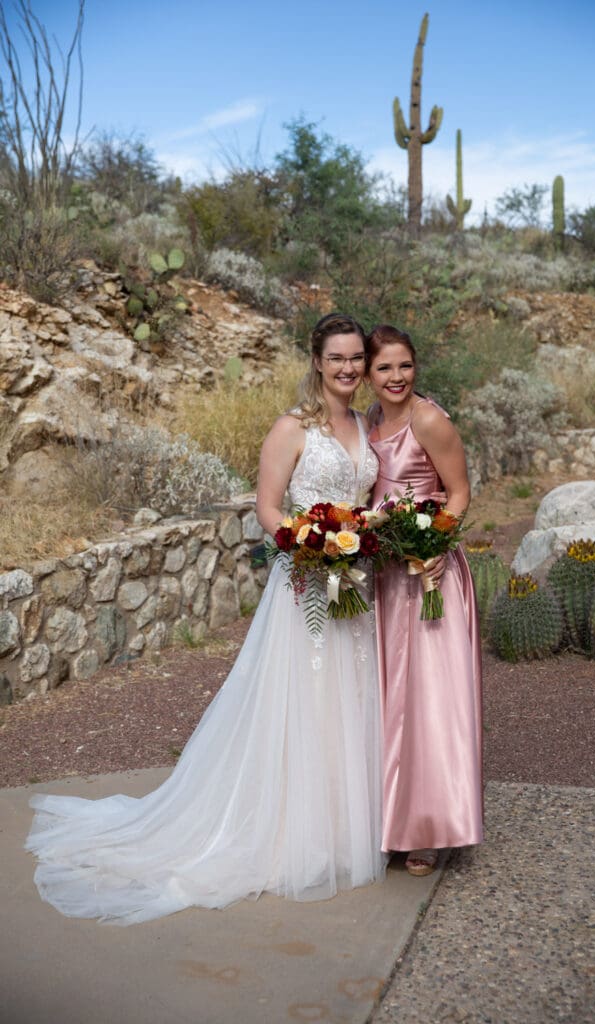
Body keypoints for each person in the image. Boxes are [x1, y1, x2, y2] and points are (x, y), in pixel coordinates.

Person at [25, 313, 385, 924]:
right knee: (299, 700)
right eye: (338, 358)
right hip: (305, 583)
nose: (348, 368)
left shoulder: (364, 426)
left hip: (354, 585)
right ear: (317, 362)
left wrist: (359, 543)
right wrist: (311, 544)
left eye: (357, 358)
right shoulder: (292, 428)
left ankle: (342, 825)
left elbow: (368, 501)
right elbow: (269, 509)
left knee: (345, 702)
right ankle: (284, 834)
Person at [365, 324, 483, 877]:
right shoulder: (367, 424)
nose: (396, 377)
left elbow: (458, 491)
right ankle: (389, 820)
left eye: (405, 365)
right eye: (384, 367)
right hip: (385, 578)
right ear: (367, 372)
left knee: (431, 704)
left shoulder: (429, 420)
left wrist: (437, 543)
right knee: (388, 701)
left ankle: (431, 826)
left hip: (430, 575)